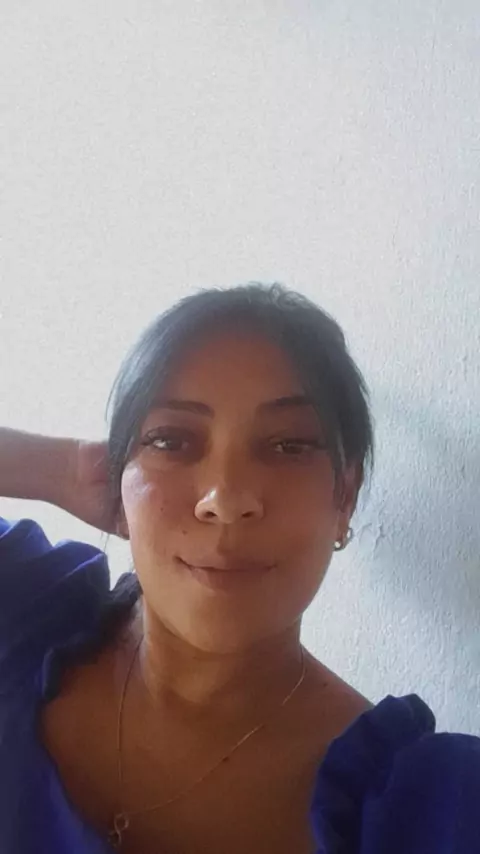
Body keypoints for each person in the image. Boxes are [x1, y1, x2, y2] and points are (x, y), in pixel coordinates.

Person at [0, 283, 478, 854]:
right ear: (117, 479)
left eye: (289, 446)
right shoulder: (24, 615)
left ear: (344, 497)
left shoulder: (434, 810)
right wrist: (62, 469)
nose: (225, 499)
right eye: (170, 440)